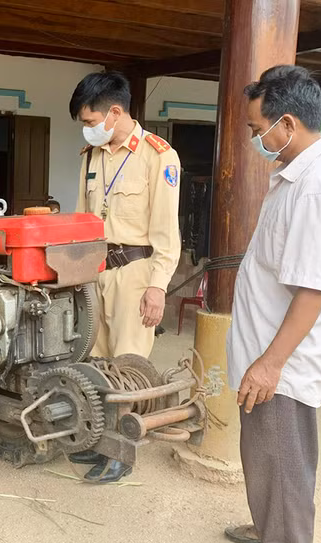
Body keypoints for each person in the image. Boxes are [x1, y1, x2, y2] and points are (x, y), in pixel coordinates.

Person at [216, 65, 321, 543]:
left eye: (258, 129)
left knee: (283, 456)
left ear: (289, 124)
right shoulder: (296, 176)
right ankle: (270, 527)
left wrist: (271, 363)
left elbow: (312, 291)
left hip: (284, 362)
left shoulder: (317, 190)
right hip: (267, 351)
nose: (256, 139)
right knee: (266, 451)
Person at [68, 72, 181, 483]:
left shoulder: (158, 156)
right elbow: (82, 220)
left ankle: (121, 454)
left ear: (114, 113)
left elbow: (167, 232)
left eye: (90, 120)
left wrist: (157, 286)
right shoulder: (90, 156)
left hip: (136, 272)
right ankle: (100, 440)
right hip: (97, 271)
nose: (87, 128)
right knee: (95, 362)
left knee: (128, 365)